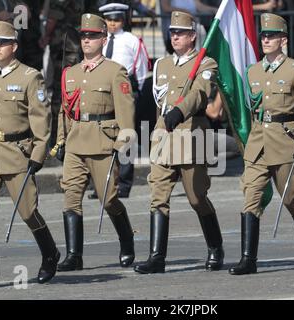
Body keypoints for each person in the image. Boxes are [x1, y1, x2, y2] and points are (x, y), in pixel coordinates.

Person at [0, 21, 59, 289]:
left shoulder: (30, 77)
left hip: (18, 152)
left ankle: (50, 253)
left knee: (28, 211)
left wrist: (38, 154)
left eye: (2, 42)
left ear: (14, 46)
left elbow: (41, 118)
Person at [229, 13, 294, 275]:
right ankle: (249, 259)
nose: (265, 40)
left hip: (285, 142)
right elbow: (252, 109)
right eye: (263, 36)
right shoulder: (252, 71)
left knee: (291, 198)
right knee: (251, 197)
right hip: (258, 144)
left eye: (271, 36)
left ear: (283, 39)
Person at [134, 11, 224, 274]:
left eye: (181, 33)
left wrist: (179, 111)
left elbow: (199, 95)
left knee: (197, 197)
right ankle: (156, 257)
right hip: (164, 136)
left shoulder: (206, 64)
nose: (175, 36)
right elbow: (158, 104)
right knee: (157, 197)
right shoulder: (161, 64)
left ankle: (215, 247)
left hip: (192, 134)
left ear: (193, 36)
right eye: (172, 32)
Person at [53, 13, 136, 271]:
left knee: (109, 199)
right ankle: (74, 256)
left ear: (103, 38)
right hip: (76, 142)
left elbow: (126, 111)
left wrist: (123, 143)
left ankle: (127, 240)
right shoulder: (71, 73)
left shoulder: (114, 71)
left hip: (103, 142)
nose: (87, 40)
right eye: (83, 36)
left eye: (92, 36)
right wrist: (60, 142)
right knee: (71, 198)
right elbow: (64, 110)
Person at [87, 2, 150, 199]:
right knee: (101, 136)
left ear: (123, 20)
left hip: (124, 91)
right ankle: (101, 182)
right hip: (102, 91)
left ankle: (123, 183)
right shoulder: (100, 40)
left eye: (117, 20)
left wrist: (135, 90)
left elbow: (140, 67)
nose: (113, 24)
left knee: (125, 135)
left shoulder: (132, 40)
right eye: (109, 20)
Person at [38, 0, 84, 147]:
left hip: (64, 44)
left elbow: (53, 17)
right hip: (77, 43)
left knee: (60, 90)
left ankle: (57, 138)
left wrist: (45, 36)